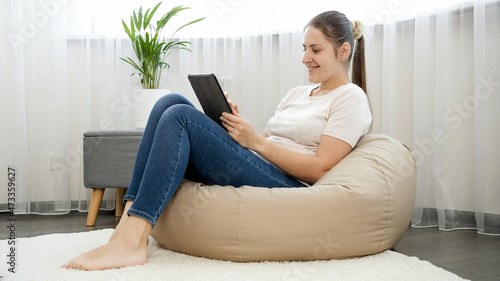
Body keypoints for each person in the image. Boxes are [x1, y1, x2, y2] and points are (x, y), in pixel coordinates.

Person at [62, 10, 372, 270]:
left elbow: (319, 169)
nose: (306, 58)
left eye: (315, 50)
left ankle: (134, 242)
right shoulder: (299, 93)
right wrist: (233, 129)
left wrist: (256, 143)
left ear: (343, 51)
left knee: (179, 116)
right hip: (262, 164)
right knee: (168, 103)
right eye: (304, 48)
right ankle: (126, 227)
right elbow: (269, 141)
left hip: (290, 186)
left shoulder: (350, 98)